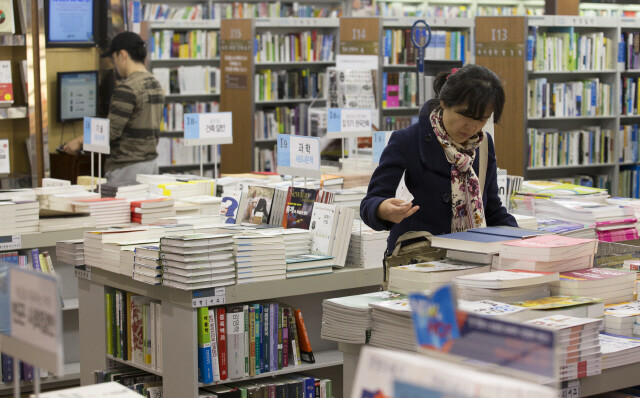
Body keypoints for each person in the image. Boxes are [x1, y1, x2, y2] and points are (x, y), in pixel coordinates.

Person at [360, 64, 518, 255]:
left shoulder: (483, 145)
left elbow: (492, 209)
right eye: (464, 114)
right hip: (419, 261)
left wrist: (523, 239)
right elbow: (371, 201)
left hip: (470, 257)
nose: (472, 126)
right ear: (444, 102)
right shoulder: (407, 141)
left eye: (482, 119)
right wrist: (381, 209)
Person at [63, 32, 165, 184]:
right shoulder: (155, 83)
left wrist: (78, 141)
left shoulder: (127, 88)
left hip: (127, 168)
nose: (114, 64)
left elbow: (111, 131)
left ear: (123, 55)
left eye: (114, 58)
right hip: (150, 165)